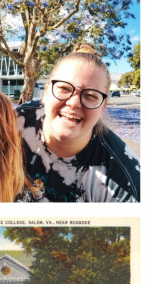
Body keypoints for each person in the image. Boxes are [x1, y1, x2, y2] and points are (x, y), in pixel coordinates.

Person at [17, 43, 140, 202]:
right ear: (46, 92)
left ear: (103, 107)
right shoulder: (13, 123)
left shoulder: (122, 180)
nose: (74, 103)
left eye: (90, 95)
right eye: (64, 89)